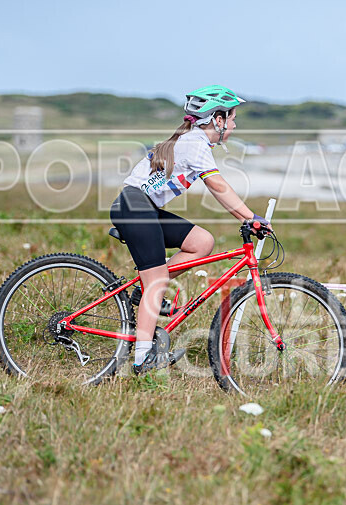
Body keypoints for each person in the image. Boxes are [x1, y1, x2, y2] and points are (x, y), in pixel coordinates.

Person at [110, 85, 270, 375]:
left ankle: (145, 290)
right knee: (157, 282)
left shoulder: (194, 141)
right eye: (232, 118)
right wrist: (251, 217)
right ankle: (141, 359)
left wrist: (246, 217)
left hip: (143, 207)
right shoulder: (196, 143)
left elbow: (218, 190)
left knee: (201, 241)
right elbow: (218, 187)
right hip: (134, 207)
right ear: (217, 120)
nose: (234, 124)